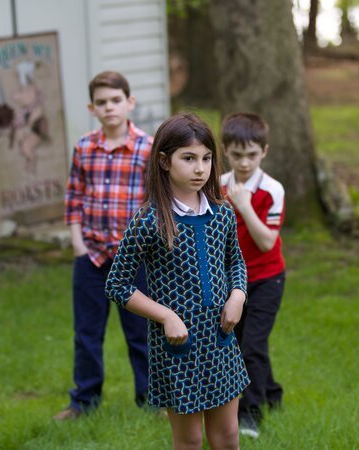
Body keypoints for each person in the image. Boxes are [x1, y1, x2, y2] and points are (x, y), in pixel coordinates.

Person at [106, 113, 249, 449]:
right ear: (164, 161)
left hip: (220, 340)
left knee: (227, 436)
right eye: (188, 158)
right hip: (177, 349)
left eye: (207, 158)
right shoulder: (149, 220)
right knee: (190, 441)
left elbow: (236, 261)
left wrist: (238, 296)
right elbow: (118, 284)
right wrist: (167, 316)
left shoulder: (222, 212)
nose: (200, 168)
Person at [54, 71, 152, 420]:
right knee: (87, 334)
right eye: (102, 102)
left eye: (115, 100)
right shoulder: (85, 147)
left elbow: (157, 202)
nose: (109, 108)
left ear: (130, 102)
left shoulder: (148, 148)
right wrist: (78, 246)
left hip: (136, 259)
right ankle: (84, 401)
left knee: (141, 332)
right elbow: (74, 197)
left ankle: (152, 399)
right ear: (91, 107)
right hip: (92, 257)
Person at [219, 112, 286, 439]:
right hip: (233, 280)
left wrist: (243, 205)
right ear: (225, 153)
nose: (244, 163)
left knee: (251, 348)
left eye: (252, 155)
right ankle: (273, 394)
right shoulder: (217, 187)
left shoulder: (272, 190)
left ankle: (250, 414)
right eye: (236, 155)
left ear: (264, 151)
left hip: (267, 279)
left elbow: (266, 241)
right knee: (246, 342)